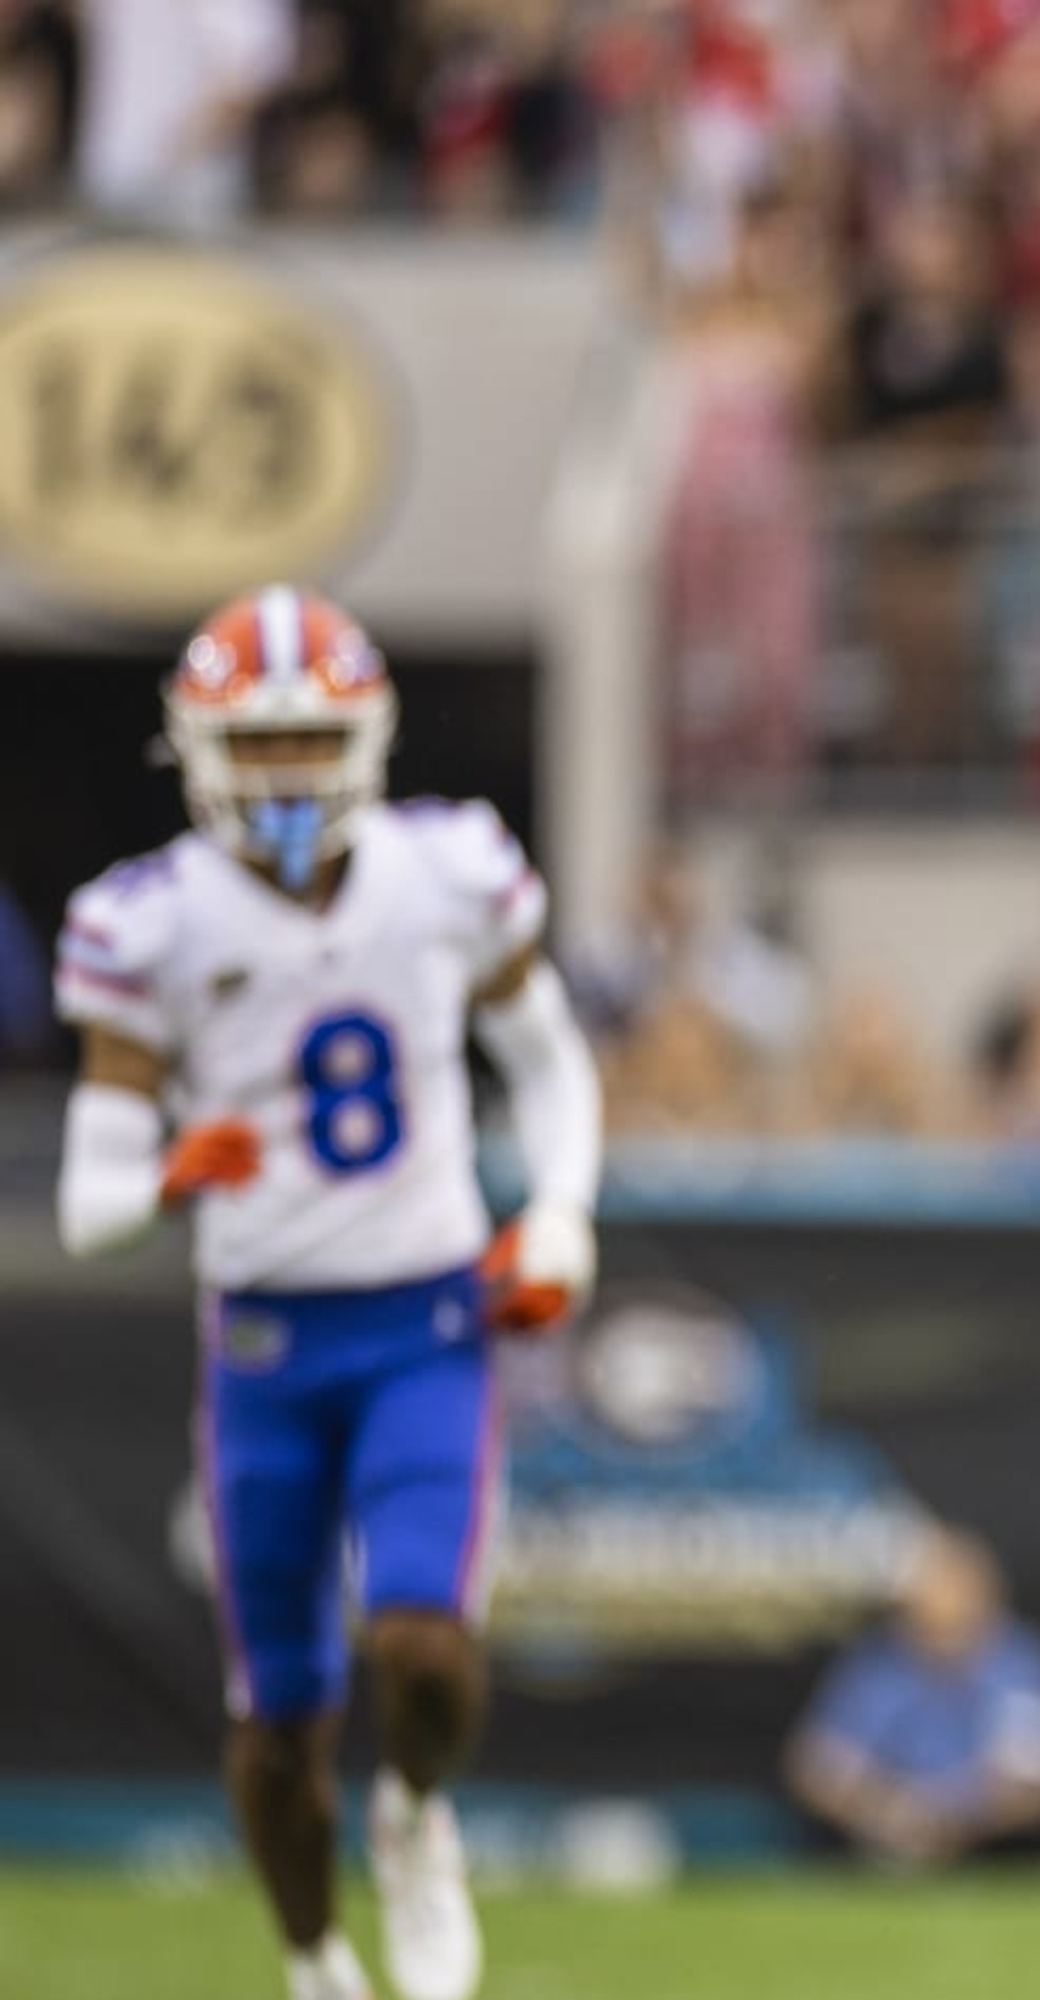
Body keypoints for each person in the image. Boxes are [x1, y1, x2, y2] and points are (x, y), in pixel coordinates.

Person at [52, 588, 604, 2000]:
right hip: (263, 1350)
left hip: (423, 1320)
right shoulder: (148, 920)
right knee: (278, 1720)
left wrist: (554, 1215)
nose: (291, 775)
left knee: (423, 1648)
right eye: (264, 744)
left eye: (313, 741)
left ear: (364, 738)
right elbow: (89, 1199)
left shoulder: (449, 871)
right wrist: (169, 1177)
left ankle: (417, 1816)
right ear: (199, 747)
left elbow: (546, 1061)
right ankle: (314, 1965)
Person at [786, 1527, 1040, 1868]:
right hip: (877, 1850)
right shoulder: (876, 1666)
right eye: (928, 1587)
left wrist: (949, 1820)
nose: (941, 1600)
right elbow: (817, 1768)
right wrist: (888, 1813)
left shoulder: (1026, 1664)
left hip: (1000, 1856)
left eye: (954, 1585)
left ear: (986, 1592)